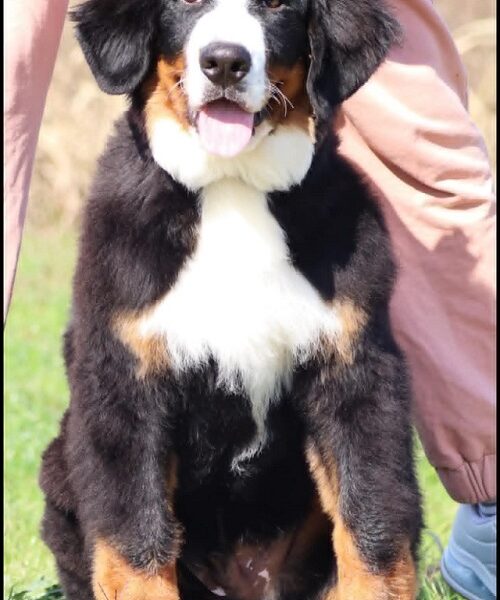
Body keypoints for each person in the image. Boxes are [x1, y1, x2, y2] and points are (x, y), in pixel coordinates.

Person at [4, 0, 496, 598]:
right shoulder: (122, 233)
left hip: (300, 553)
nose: (226, 50)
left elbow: (364, 416)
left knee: (424, 147)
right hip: (176, 551)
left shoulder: (347, 233)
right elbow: (115, 427)